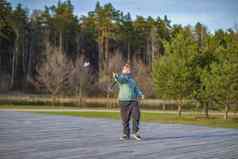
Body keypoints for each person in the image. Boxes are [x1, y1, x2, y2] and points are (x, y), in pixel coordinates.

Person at [113, 63, 144, 141]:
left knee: (137, 115)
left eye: (128, 68)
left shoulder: (132, 80)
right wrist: (116, 77)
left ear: (130, 70)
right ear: (123, 70)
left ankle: (135, 132)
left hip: (133, 100)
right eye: (125, 68)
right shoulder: (123, 78)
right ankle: (126, 134)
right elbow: (120, 80)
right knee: (125, 119)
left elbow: (136, 89)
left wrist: (140, 94)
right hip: (123, 101)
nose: (127, 69)